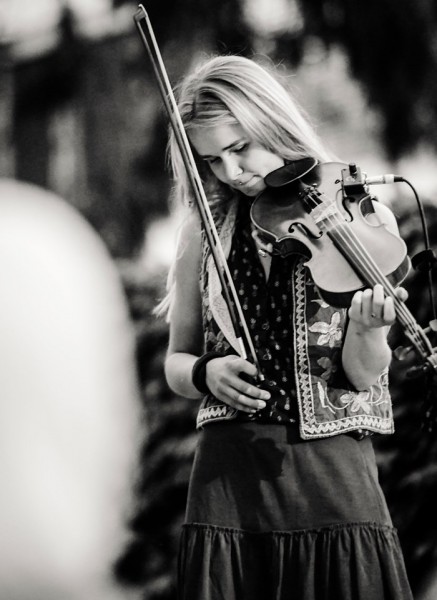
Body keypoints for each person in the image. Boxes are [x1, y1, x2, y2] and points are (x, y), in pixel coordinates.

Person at [160, 55, 413, 599]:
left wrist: (368, 330)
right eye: (211, 160)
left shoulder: (360, 215)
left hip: (332, 475)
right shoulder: (203, 233)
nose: (231, 172)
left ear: (272, 122)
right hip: (228, 482)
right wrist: (205, 372)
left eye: (239, 148)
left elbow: (363, 376)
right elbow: (176, 362)